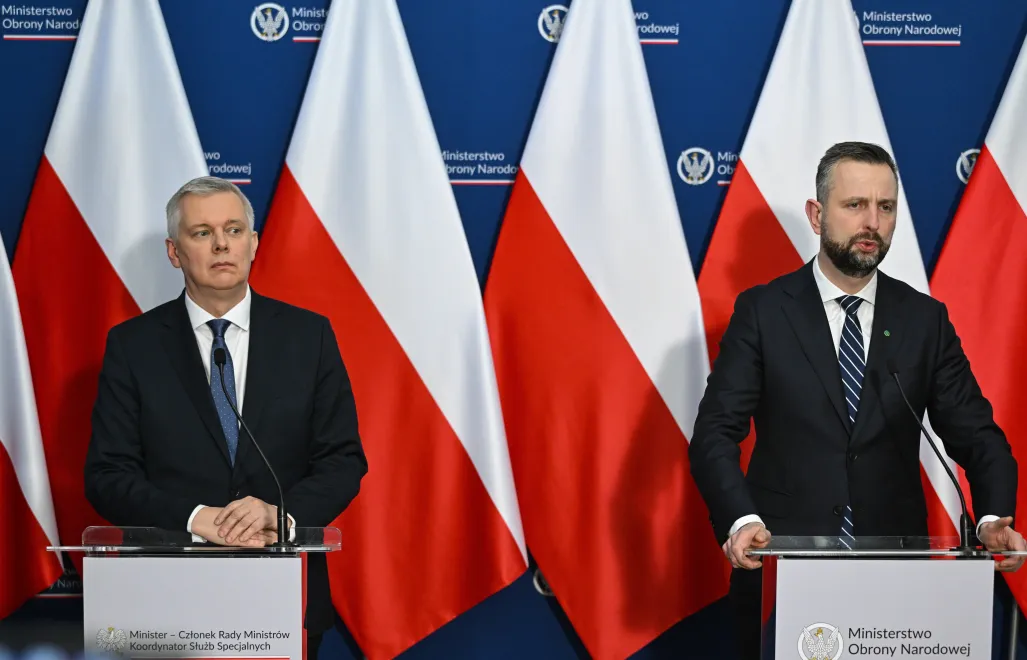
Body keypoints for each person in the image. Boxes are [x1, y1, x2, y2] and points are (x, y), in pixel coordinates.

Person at [688, 141, 1025, 658]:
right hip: (782, 570)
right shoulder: (763, 312)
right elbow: (714, 433)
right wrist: (741, 520)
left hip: (894, 580)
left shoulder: (923, 320)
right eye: (855, 205)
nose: (872, 222)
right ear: (817, 215)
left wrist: (992, 517)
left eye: (885, 207)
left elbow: (976, 434)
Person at [84, 175, 367, 657]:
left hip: (281, 591)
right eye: (202, 233)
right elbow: (107, 475)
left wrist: (282, 516)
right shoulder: (133, 346)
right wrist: (197, 519)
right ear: (174, 252)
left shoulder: (308, 337)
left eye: (234, 230)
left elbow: (343, 460)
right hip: (166, 599)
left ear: (253, 244)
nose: (221, 244)